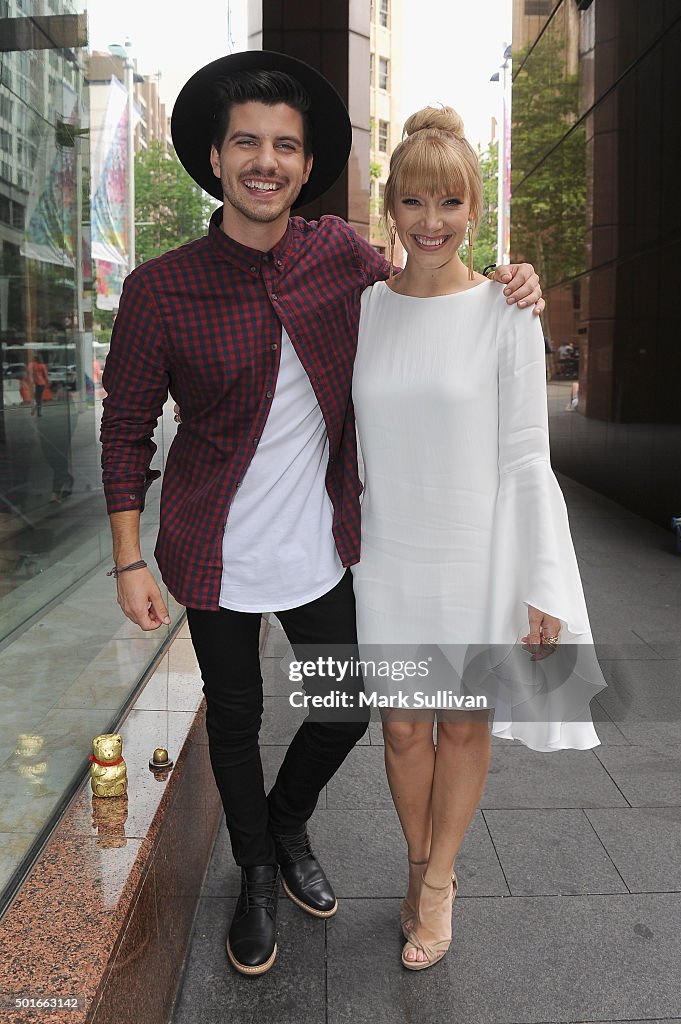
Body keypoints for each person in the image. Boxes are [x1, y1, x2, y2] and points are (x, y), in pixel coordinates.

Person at [100, 52, 543, 977]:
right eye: (248, 144)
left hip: (326, 547)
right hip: (209, 550)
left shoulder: (342, 258)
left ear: (306, 168)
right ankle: (257, 868)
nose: (267, 161)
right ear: (216, 159)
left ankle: (287, 819)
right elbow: (125, 432)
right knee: (234, 718)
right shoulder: (160, 288)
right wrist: (129, 560)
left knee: (344, 711)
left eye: (286, 147)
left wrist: (514, 280)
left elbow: (431, 290)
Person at [351, 107, 607, 971]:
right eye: (415, 202)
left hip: (475, 554)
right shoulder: (363, 311)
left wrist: (541, 581)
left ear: (472, 207)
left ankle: (438, 880)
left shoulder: (508, 309)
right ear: (392, 208)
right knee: (399, 729)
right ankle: (420, 859)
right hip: (388, 556)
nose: (432, 221)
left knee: (462, 726)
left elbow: (529, 456)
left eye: (450, 202)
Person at [27, 353, 49, 417]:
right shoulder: (43, 365)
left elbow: (29, 371)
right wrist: (47, 381)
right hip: (42, 383)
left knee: (37, 398)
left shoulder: (33, 365)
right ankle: (38, 411)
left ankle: (35, 410)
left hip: (35, 383)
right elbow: (45, 375)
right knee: (39, 398)